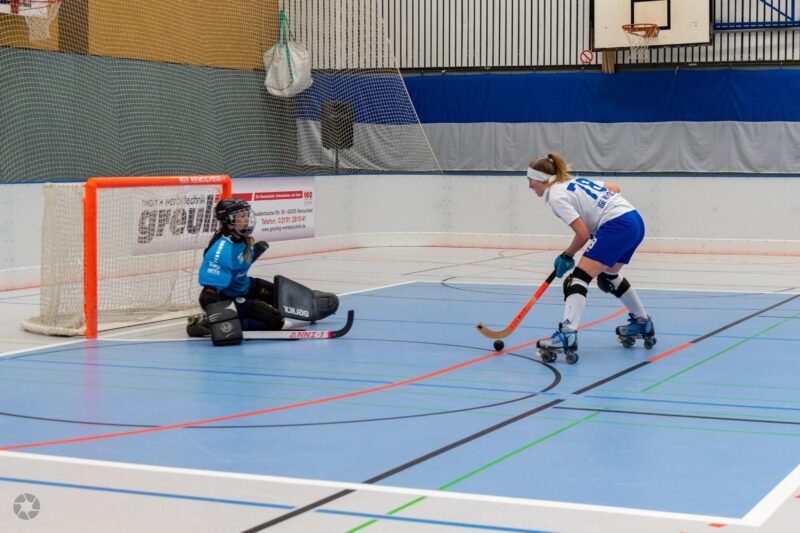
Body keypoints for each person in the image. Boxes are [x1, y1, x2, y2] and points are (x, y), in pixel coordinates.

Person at [526, 152, 655, 362]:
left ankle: (567, 333)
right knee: (608, 276)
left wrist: (567, 255)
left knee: (577, 279)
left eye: (530, 180)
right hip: (634, 221)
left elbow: (583, 234)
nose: (530, 185)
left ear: (541, 179)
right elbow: (614, 188)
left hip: (617, 225)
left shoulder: (556, 196)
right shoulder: (573, 182)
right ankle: (642, 322)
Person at [186, 197, 338, 340]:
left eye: (247, 215)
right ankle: (207, 322)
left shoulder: (241, 239)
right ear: (228, 220)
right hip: (230, 297)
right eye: (241, 216)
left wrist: (253, 254)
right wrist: (220, 317)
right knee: (276, 321)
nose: (246, 219)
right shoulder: (220, 251)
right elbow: (208, 296)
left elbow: (236, 266)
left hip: (244, 286)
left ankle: (308, 303)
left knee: (281, 296)